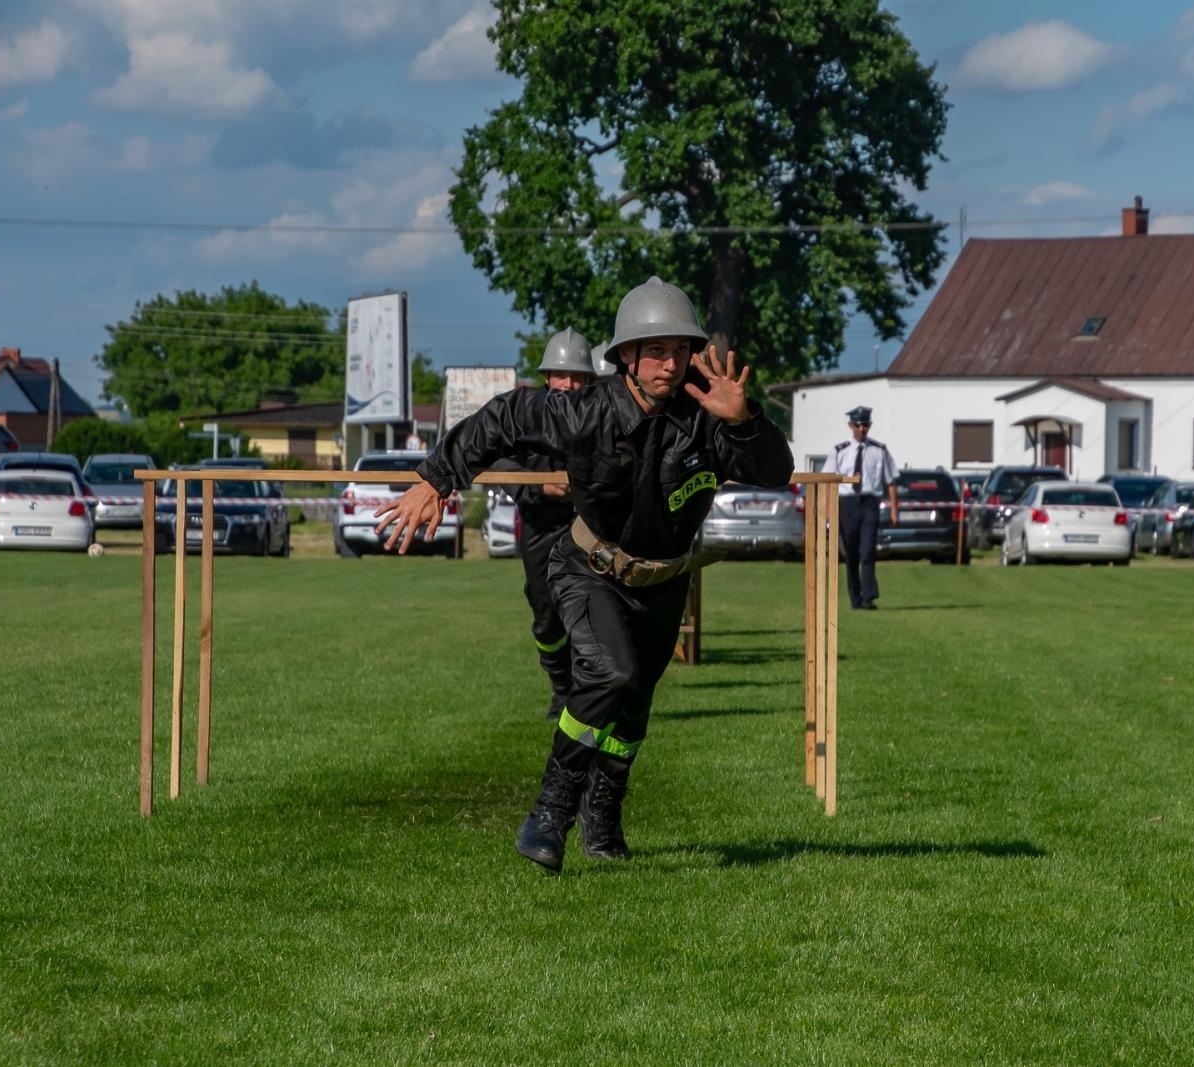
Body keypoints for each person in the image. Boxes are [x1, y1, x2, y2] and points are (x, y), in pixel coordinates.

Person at [374, 277, 793, 872]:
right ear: (624, 356)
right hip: (590, 568)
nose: (667, 364)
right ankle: (550, 811)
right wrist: (435, 478)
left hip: (665, 581)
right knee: (610, 672)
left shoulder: (708, 416)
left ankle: (604, 822)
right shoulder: (585, 411)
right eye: (652, 351)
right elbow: (503, 417)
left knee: (633, 712)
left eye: (677, 350)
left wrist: (745, 418)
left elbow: (776, 471)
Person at [502, 328, 596, 720]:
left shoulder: (601, 416)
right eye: (561, 375)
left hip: (590, 527)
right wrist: (540, 486)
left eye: (576, 376)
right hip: (540, 527)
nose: (569, 384)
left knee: (591, 612)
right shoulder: (525, 418)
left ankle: (587, 694)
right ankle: (561, 686)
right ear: (547, 377)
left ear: (589, 380)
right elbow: (496, 463)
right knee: (545, 616)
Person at [822, 406, 898, 609]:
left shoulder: (879, 450)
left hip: (869, 502)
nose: (862, 429)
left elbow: (891, 480)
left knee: (868, 550)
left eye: (865, 425)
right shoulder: (840, 451)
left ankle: (869, 596)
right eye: (858, 425)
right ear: (850, 426)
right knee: (852, 553)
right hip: (847, 503)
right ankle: (855, 596)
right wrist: (828, 511)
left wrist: (893, 508)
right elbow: (828, 481)